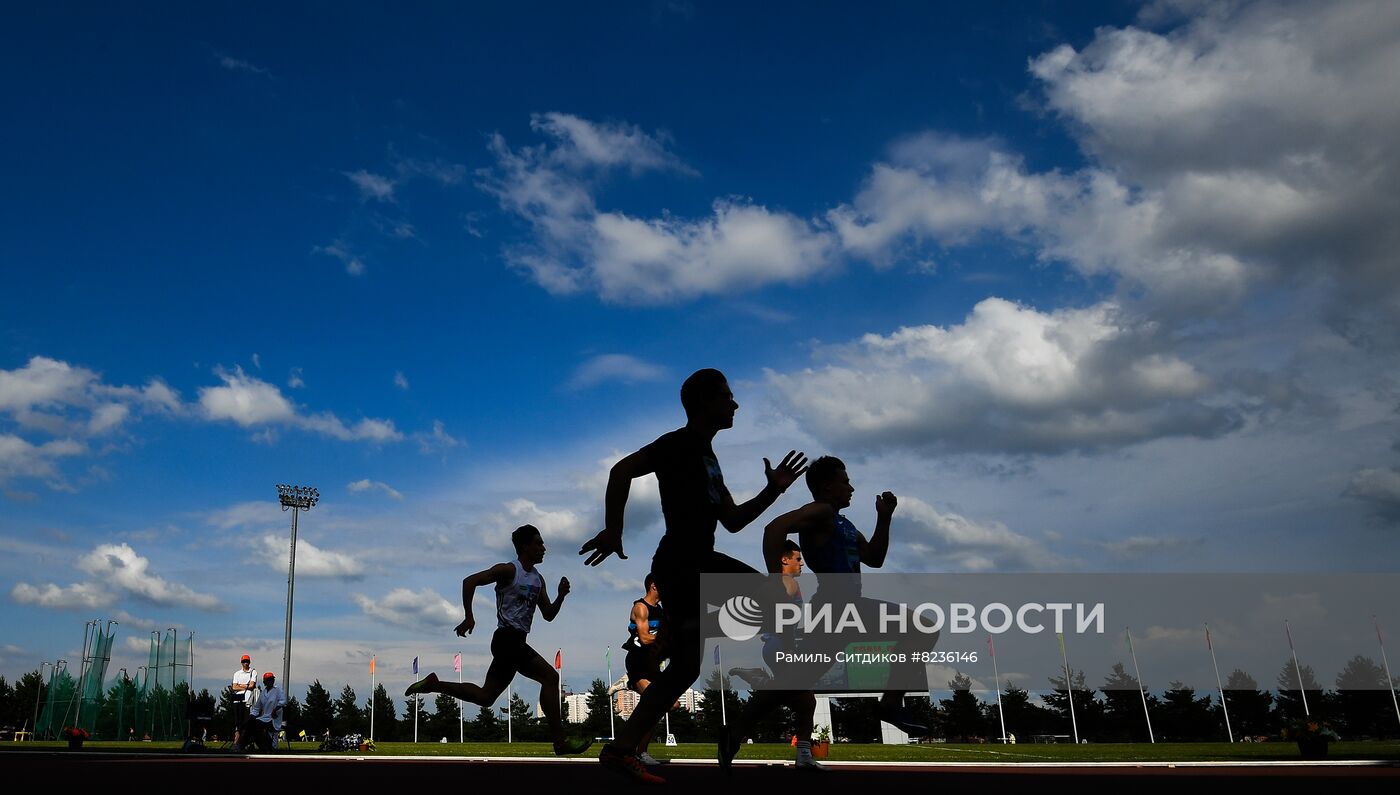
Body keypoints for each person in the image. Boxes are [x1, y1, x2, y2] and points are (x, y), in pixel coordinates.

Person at [579, 368, 808, 783]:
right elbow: (620, 471)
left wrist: (774, 490)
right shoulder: (677, 443)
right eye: (727, 396)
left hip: (696, 560)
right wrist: (614, 529)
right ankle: (760, 679)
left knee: (685, 669)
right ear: (704, 402)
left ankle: (620, 749)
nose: (735, 404)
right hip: (684, 561)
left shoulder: (709, 458)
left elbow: (735, 520)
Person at [763, 455, 931, 736]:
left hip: (840, 610)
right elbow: (774, 528)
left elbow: (875, 558)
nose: (851, 488)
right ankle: (890, 702)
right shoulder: (820, 512)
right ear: (828, 487)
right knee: (922, 627)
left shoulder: (846, 525)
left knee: (798, 680)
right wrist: (773, 580)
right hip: (837, 606)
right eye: (846, 482)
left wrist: (884, 517)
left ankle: (735, 729)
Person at [405, 524, 592, 756]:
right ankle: (560, 741)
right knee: (551, 678)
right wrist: (469, 616)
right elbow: (469, 581)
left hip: (516, 641)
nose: (544, 548)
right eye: (539, 543)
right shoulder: (508, 570)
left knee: (486, 697)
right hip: (506, 639)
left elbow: (548, 615)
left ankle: (434, 684)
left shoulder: (538, 579)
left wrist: (561, 596)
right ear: (525, 546)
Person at [727, 540, 823, 771]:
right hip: (780, 646)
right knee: (801, 699)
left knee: (803, 701)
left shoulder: (777, 583)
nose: (802, 564)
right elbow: (784, 617)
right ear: (784, 559)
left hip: (775, 646)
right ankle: (758, 681)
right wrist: (790, 648)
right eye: (798, 559)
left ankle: (803, 754)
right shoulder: (787, 583)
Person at [621, 573, 673, 766]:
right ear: (653, 586)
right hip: (637, 661)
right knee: (655, 703)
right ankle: (639, 752)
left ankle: (637, 749)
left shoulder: (660, 610)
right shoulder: (640, 607)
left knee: (671, 705)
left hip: (652, 663)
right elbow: (644, 638)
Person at [232, 671, 284, 753]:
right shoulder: (263, 693)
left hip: (274, 718)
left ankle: (242, 745)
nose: (271, 681)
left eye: (271, 679)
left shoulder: (278, 690)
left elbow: (283, 701)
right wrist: (250, 717)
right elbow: (256, 708)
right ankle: (262, 747)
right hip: (264, 717)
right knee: (251, 724)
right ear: (264, 682)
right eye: (268, 680)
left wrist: (275, 709)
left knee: (253, 725)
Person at [230, 653, 257, 748]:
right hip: (237, 701)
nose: (245, 663)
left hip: (247, 701)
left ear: (249, 662)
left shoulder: (253, 672)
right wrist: (245, 686)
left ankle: (243, 742)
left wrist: (239, 686)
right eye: (244, 661)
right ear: (241, 663)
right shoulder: (237, 673)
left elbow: (252, 686)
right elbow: (234, 687)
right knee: (237, 723)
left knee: (246, 722)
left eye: (247, 661)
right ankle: (236, 742)